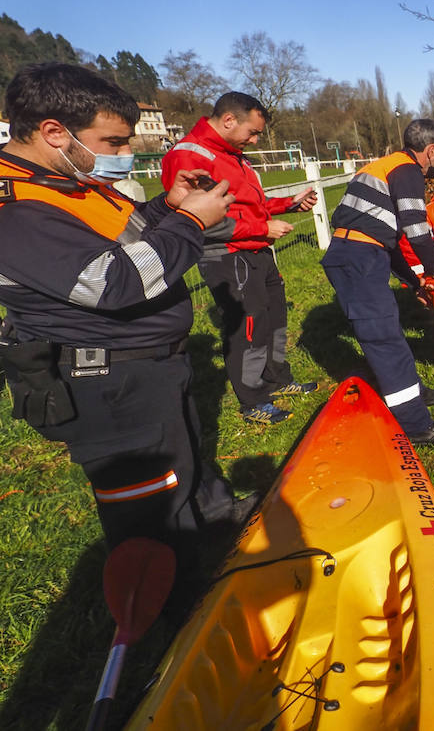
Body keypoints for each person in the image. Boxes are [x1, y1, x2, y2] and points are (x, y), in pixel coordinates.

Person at [0, 62, 252, 555]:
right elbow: (112, 281)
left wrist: (164, 208)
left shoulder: (64, 179)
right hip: (111, 383)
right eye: (113, 142)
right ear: (54, 132)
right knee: (147, 499)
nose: (125, 153)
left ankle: (212, 515)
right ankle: (168, 594)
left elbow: (121, 239)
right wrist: (188, 222)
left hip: (151, 364)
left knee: (183, 454)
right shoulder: (15, 211)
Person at [160, 92, 319, 425]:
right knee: (248, 326)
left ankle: (278, 379)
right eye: (253, 132)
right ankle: (253, 399)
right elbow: (199, 219)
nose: (256, 139)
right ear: (229, 120)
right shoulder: (191, 155)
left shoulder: (236, 155)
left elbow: (249, 205)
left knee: (273, 317)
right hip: (229, 255)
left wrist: (289, 203)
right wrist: (262, 227)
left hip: (257, 248)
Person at [321, 118, 434, 446]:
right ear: (430, 151)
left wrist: (415, 283)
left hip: (358, 252)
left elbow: (389, 241)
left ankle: (415, 392)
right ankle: (415, 425)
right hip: (359, 258)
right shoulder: (408, 171)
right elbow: (417, 228)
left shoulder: (383, 167)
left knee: (390, 331)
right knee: (384, 339)